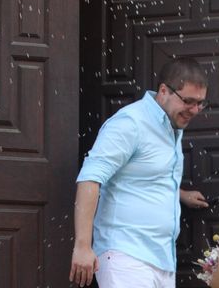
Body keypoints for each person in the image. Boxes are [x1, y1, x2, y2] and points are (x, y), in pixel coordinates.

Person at [69, 57, 211, 287]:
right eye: (188, 101)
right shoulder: (130, 123)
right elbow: (90, 177)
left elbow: (147, 175)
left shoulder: (172, 123)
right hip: (126, 255)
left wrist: (180, 194)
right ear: (163, 91)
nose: (195, 110)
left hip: (163, 259)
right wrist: (83, 246)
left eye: (201, 103)